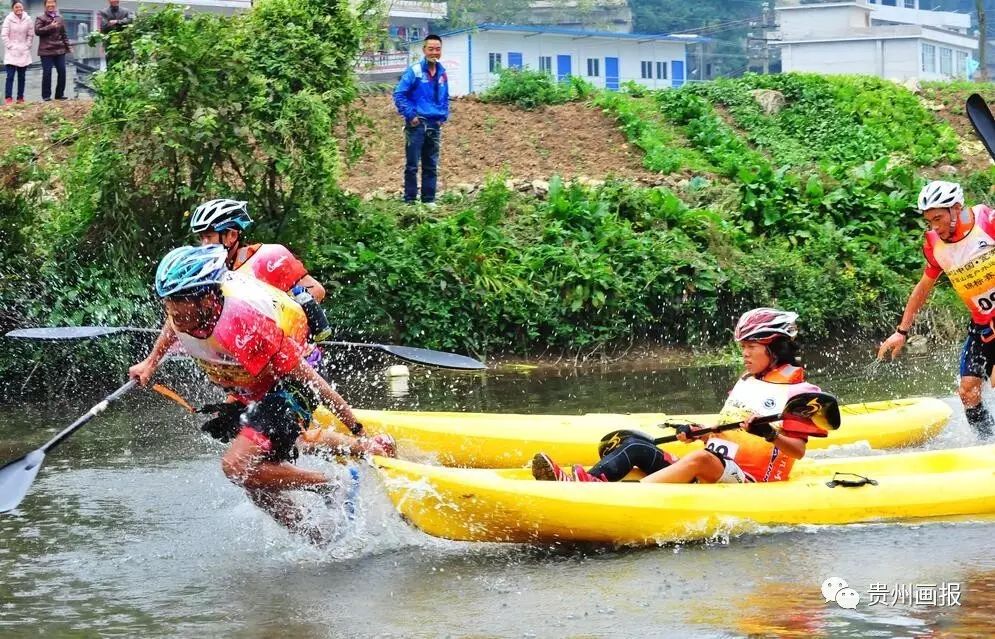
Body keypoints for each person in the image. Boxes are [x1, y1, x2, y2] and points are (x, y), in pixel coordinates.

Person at [132, 245, 394, 541]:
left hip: (287, 388)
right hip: (251, 391)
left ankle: (333, 483)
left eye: (179, 301)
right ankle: (320, 537)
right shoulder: (184, 314)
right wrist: (150, 363)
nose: (173, 309)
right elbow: (172, 327)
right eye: (168, 301)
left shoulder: (246, 324)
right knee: (255, 484)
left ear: (207, 298)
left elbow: (312, 381)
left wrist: (356, 426)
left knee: (236, 466)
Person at [533, 308, 824, 484]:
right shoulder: (747, 381)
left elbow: (798, 451)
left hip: (752, 480)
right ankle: (584, 480)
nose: (745, 354)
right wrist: (700, 434)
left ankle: (615, 495)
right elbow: (729, 437)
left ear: (776, 348)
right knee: (636, 446)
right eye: (742, 346)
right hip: (718, 464)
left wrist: (769, 434)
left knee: (699, 459)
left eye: (752, 346)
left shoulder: (800, 392)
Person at [130, 198, 333, 386]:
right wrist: (150, 362)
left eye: (209, 237)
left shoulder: (269, 258)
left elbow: (317, 291)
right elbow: (179, 318)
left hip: (297, 361)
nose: (204, 245)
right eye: (201, 238)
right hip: (250, 370)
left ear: (232, 236)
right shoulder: (206, 274)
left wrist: (282, 316)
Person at [878, 180, 995, 438]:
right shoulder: (934, 244)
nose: (935, 226)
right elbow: (923, 286)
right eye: (929, 221)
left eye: (939, 218)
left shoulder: (988, 221)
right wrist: (902, 331)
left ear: (956, 208)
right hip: (983, 325)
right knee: (967, 392)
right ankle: (988, 443)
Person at [393, 34, 449, 206]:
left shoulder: (442, 72)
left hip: (434, 124)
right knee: (412, 165)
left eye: (437, 49)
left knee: (431, 164)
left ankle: (428, 199)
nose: (434, 52)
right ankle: (410, 200)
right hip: (417, 125)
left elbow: (445, 97)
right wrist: (411, 116)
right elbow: (399, 94)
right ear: (424, 50)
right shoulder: (415, 71)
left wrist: (442, 117)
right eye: (431, 49)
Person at [34, 0, 69, 102]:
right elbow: (37, 31)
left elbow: (64, 34)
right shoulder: (40, 18)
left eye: (52, 3)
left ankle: (59, 94)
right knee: (47, 73)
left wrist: (68, 47)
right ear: (45, 5)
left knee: (62, 71)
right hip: (46, 50)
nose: (50, 5)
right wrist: (50, 26)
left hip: (60, 49)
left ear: (55, 4)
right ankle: (46, 96)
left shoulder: (60, 18)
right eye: (48, 3)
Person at [2, 1, 32, 105]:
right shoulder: (8, 19)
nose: (18, 9)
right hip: (12, 52)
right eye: (16, 7)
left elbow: (30, 34)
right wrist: (11, 46)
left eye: (20, 7)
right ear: (13, 8)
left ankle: (20, 97)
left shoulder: (28, 19)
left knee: (22, 76)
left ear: (23, 8)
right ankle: (8, 98)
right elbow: (4, 35)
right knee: (10, 76)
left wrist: (27, 45)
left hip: (23, 51)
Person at [97, 0, 132, 67]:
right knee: (111, 63)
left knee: (125, 63)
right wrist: (122, 24)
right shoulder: (104, 12)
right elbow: (104, 27)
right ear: (109, 1)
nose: (114, 1)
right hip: (110, 42)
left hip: (124, 41)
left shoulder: (126, 11)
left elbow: (130, 21)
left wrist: (117, 22)